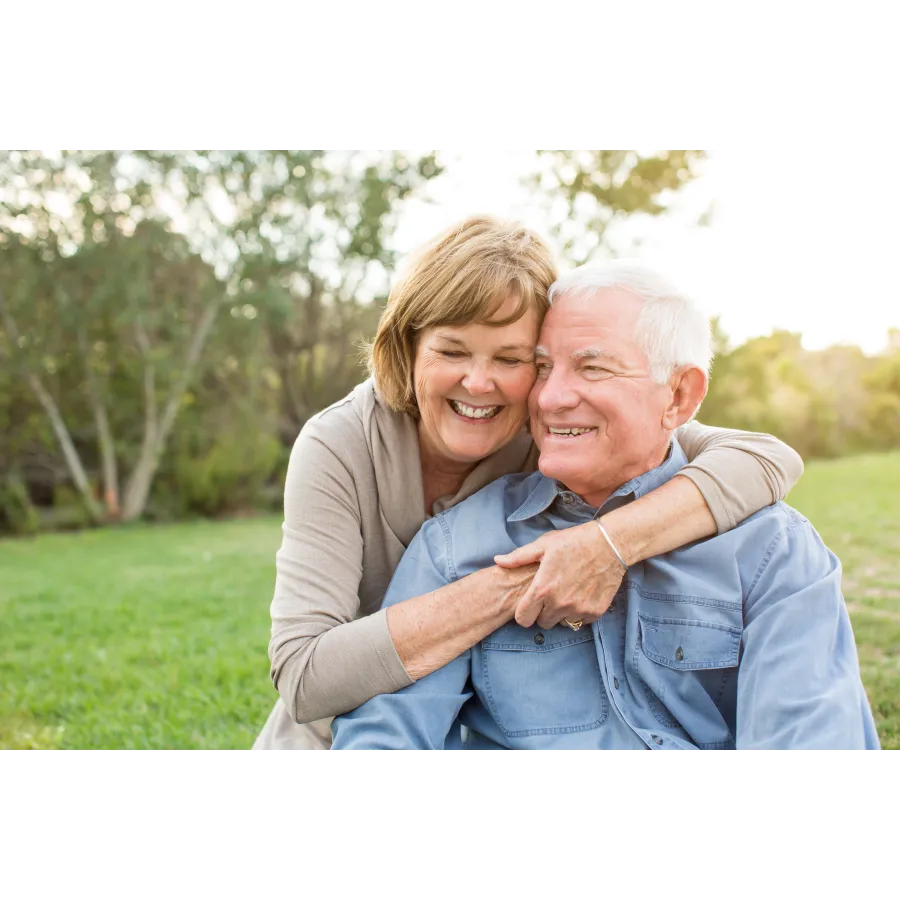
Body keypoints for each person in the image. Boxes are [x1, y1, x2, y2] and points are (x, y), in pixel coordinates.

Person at [254, 216, 805, 752]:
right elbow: (305, 676)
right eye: (450, 351)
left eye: (512, 358)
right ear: (409, 347)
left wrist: (606, 544)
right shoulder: (340, 444)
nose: (479, 382)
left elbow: (764, 457)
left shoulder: (556, 429)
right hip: (333, 730)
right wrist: (534, 576)